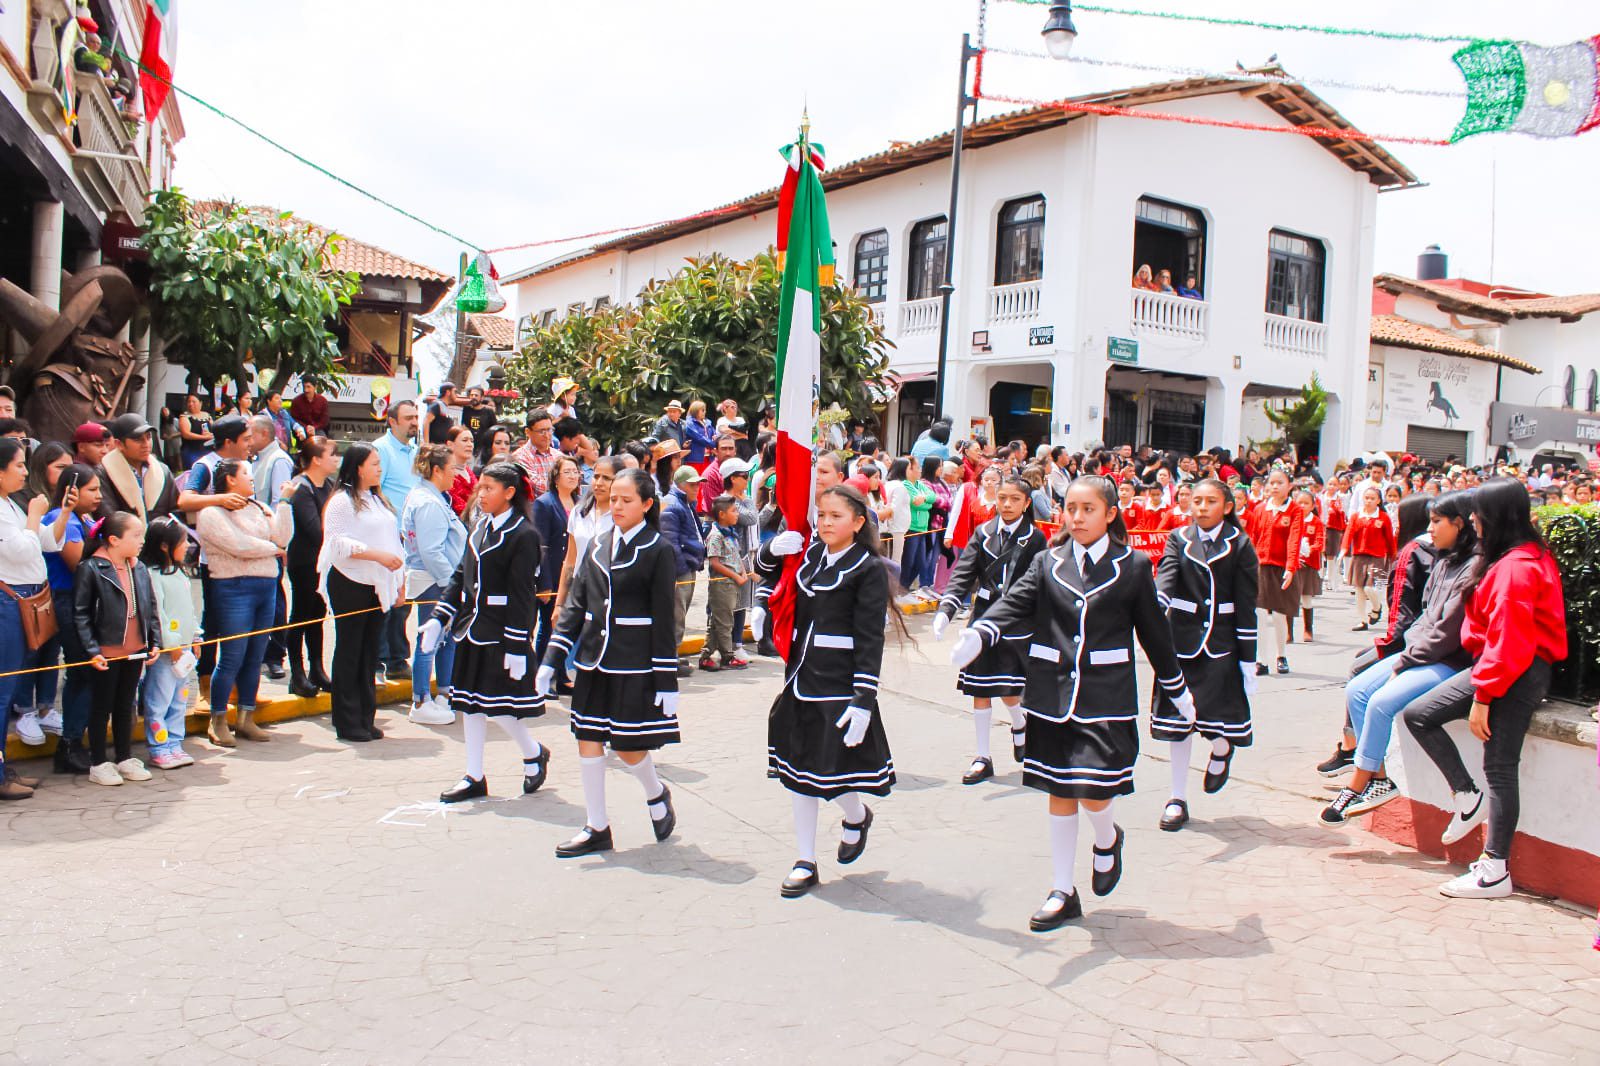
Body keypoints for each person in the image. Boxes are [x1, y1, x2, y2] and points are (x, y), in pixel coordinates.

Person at [950, 476, 1195, 930]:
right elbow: (1015, 601)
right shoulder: (1048, 561)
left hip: (1106, 696)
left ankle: (1107, 838)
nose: (1077, 518)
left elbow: (1154, 634)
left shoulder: (1134, 565)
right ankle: (1062, 889)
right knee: (1060, 791)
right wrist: (982, 632)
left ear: (1109, 514)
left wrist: (1176, 686)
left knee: (1097, 790)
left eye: (1088, 509)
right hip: (1051, 695)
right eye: (1071, 509)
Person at [1400, 481, 1567, 899]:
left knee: (1499, 767)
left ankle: (1495, 869)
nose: (1473, 521)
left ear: (1495, 517)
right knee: (1419, 713)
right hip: (1504, 666)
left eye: (1477, 514)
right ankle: (1467, 797)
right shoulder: (1519, 557)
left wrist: (1484, 696)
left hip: (1515, 672)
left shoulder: (1517, 567)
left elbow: (1511, 639)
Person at [758, 485, 896, 897]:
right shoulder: (813, 555)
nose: (826, 523)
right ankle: (805, 858)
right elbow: (772, 576)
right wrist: (771, 552)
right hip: (800, 674)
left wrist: (864, 699)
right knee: (800, 773)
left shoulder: (868, 567)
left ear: (858, 523)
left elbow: (870, 637)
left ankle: (855, 816)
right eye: (821, 515)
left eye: (836, 516)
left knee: (831, 772)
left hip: (839, 681)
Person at [538, 469, 681, 858]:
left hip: (634, 662)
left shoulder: (657, 549)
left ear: (647, 504)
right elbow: (576, 606)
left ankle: (655, 792)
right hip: (593, 661)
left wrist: (667, 678)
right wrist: (552, 658)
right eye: (613, 499)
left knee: (627, 745)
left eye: (626, 500)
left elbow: (663, 619)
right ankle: (596, 825)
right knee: (588, 737)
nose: (616, 505)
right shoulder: (599, 543)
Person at [1320, 492, 1470, 825]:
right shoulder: (1442, 559)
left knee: (1380, 701)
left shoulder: (1470, 566)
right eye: (1428, 520)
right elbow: (1421, 619)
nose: (1429, 529)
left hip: (1449, 659)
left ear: (1459, 523)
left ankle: (1357, 782)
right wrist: (1405, 655)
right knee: (1357, 690)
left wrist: (1403, 659)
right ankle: (1378, 778)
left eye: (1437, 522)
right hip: (1420, 651)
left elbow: (1445, 629)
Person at [425, 462, 552, 803]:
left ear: (509, 493)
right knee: (470, 705)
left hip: (501, 631)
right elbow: (459, 576)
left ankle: (532, 751)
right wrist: (440, 616)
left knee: (499, 705)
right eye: (480, 488)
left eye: (489, 489)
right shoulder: (479, 527)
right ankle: (474, 775)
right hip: (472, 627)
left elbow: (523, 594)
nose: (480, 495)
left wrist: (516, 643)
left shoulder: (524, 535)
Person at [1150, 478, 1259, 832]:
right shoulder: (1178, 539)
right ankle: (1176, 798)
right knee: (1178, 724)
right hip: (1179, 641)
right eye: (1196, 500)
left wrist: (1248, 658)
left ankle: (1222, 747)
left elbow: (1246, 605)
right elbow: (1166, 577)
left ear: (1227, 507)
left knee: (1213, 719)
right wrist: (1154, 607)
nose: (1201, 507)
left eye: (1210, 501)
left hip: (1220, 644)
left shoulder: (1240, 544)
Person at [932, 475, 1046, 785]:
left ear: (1026, 503)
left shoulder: (1035, 538)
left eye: (1015, 499)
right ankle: (983, 756)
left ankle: (1020, 723)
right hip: (983, 617)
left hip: (1017, 621)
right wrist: (946, 609)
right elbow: (964, 573)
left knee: (1009, 688)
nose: (1007, 504)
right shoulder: (982, 533)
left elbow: (1039, 584)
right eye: (1002, 497)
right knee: (980, 688)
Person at [195, 459, 290, 746]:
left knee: (255, 655)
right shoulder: (211, 512)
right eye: (246, 473)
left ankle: (247, 717)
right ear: (230, 480)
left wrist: (285, 502)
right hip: (233, 587)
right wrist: (273, 550)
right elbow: (237, 546)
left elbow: (284, 537)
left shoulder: (260, 508)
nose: (252, 478)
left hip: (266, 586)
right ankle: (219, 718)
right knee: (232, 655)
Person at [318, 443, 405, 743]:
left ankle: (366, 716)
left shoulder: (378, 500)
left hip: (378, 584)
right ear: (358, 467)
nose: (379, 469)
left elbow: (395, 543)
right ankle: (347, 719)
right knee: (350, 650)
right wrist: (376, 556)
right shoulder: (342, 501)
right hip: (350, 581)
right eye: (374, 463)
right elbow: (337, 543)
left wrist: (399, 581)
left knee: (369, 653)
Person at [71, 511, 160, 786]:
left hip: (135, 648)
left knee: (125, 705)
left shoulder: (139, 567)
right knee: (101, 707)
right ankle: (99, 762)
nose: (141, 541)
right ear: (113, 539)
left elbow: (151, 607)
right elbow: (81, 613)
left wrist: (155, 641)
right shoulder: (92, 568)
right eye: (135, 536)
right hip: (106, 652)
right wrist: (91, 649)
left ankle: (124, 757)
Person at [400, 444, 469, 727]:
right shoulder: (428, 502)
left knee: (445, 640)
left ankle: (443, 694)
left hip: (440, 581)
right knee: (429, 641)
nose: (457, 474)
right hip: (434, 582)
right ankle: (421, 700)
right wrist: (450, 586)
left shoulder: (433, 497)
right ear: (437, 470)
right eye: (453, 468)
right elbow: (431, 551)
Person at [0, 438, 51, 798]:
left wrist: (57, 513)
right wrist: (34, 516)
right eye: (18, 464)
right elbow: (19, 550)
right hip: (8, 604)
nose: (23, 471)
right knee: (2, 694)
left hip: (20, 602)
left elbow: (43, 542)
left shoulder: (9, 504)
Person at [42, 465, 98, 774]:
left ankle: (74, 741)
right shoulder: (60, 520)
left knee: (83, 674)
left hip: (80, 600)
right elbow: (78, 563)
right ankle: (69, 744)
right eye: (92, 489)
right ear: (71, 491)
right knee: (82, 672)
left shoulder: (83, 519)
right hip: (66, 600)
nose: (98, 496)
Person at [277, 436, 337, 699]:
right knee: (301, 616)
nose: (336, 459)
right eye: (332, 454)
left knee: (318, 615)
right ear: (316, 459)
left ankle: (317, 669)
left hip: (323, 563)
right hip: (304, 563)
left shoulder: (330, 485)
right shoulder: (302, 487)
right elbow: (314, 530)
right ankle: (297, 673)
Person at [140, 516, 199, 770]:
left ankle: (175, 743)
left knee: (179, 700)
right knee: (159, 700)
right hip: (168, 653)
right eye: (183, 541)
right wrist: (172, 644)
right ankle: (159, 747)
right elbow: (158, 615)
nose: (187, 546)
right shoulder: (153, 576)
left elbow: (189, 610)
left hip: (184, 651)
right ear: (164, 545)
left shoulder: (180, 574)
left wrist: (196, 635)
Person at [373, 400, 419, 682]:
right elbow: (377, 490)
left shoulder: (415, 452)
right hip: (391, 536)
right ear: (392, 421)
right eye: (408, 418)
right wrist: (395, 522)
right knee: (386, 600)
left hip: (411, 538)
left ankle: (397, 657)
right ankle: (379, 660)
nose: (414, 422)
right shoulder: (382, 449)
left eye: (416, 417)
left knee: (404, 601)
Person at [532, 455, 582, 693]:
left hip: (573, 575)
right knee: (548, 625)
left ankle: (561, 675)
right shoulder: (544, 503)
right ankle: (545, 675)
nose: (573, 476)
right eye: (567, 472)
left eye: (575, 472)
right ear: (555, 477)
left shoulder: (580, 502)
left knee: (565, 627)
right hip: (551, 574)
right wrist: (543, 582)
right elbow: (540, 544)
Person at [1248, 469, 1304, 676]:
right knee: (1260, 614)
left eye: (1280, 483)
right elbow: (1253, 537)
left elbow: (1294, 540)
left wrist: (1290, 567)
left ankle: (1281, 655)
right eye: (1271, 483)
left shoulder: (1295, 511)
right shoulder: (1260, 509)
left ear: (1289, 486)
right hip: (1261, 567)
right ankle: (1261, 660)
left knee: (1280, 615)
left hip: (1282, 568)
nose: (1274, 486)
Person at [661, 464, 706, 674]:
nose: (697, 488)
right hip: (681, 571)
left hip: (687, 567)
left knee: (679, 614)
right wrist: (681, 569)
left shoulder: (684, 503)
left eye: (697, 485)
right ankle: (670, 658)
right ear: (681, 485)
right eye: (692, 485)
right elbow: (670, 542)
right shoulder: (673, 504)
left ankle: (673, 655)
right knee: (676, 615)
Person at [97, 413, 179, 522]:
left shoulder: (163, 471)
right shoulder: (103, 472)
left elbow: (175, 511)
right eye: (138, 440)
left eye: (148, 437)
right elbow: (107, 516)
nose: (146, 444)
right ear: (119, 444)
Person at [701, 495, 751, 672]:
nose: (737, 514)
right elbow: (714, 562)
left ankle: (706, 656)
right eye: (734, 511)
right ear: (722, 514)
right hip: (722, 585)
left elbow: (736, 557)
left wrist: (743, 573)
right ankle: (727, 657)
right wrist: (736, 576)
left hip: (732, 584)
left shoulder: (730, 533)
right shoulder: (715, 536)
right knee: (724, 622)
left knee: (718, 621)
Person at [1341, 484, 1397, 631]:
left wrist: (1393, 556)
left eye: (1372, 498)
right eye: (1366, 498)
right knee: (1359, 589)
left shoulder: (1383, 517)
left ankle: (1377, 608)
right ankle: (1362, 620)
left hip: (1377, 557)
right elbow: (1348, 534)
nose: (1369, 501)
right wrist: (1344, 549)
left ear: (1379, 501)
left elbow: (1389, 539)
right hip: (1359, 556)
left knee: (1370, 588)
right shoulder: (1356, 516)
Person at [897, 458, 938, 599]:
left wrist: (925, 500)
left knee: (920, 560)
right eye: (917, 467)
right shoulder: (905, 485)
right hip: (912, 527)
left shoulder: (920, 484)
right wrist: (926, 502)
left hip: (922, 527)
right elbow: (915, 503)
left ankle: (905, 587)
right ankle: (901, 587)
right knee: (908, 560)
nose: (920, 470)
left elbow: (933, 498)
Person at [1291, 488, 1326, 643]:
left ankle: (1307, 628)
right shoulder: (1291, 519)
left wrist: (1307, 550)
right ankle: (1288, 631)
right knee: (1290, 598)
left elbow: (1319, 543)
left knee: (1306, 598)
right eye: (1300, 503)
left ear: (1313, 506)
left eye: (1306, 503)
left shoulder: (1316, 522)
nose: (1303, 506)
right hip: (1293, 564)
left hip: (1308, 564)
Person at [511, 406, 558, 497]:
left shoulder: (558, 455)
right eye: (541, 431)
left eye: (549, 430)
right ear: (527, 432)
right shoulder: (520, 457)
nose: (547, 435)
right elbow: (539, 487)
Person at [178, 393, 213, 468]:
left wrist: (212, 435)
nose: (191, 404)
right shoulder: (185, 417)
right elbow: (186, 434)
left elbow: (214, 429)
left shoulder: (207, 415)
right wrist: (204, 437)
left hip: (207, 450)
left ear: (200, 403)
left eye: (193, 401)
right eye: (189, 402)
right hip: (192, 451)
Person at [683, 400, 717, 470]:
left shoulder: (708, 422)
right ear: (696, 411)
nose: (705, 412)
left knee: (706, 479)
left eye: (705, 410)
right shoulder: (689, 423)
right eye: (703, 410)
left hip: (709, 457)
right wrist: (714, 443)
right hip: (695, 458)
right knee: (695, 479)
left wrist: (716, 438)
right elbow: (699, 438)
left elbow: (714, 433)